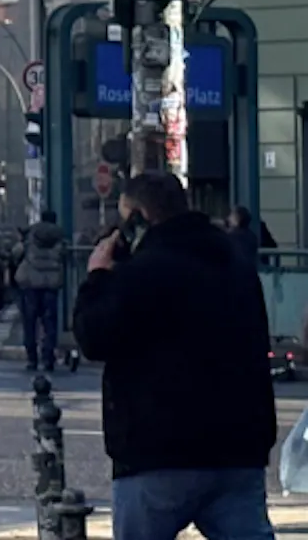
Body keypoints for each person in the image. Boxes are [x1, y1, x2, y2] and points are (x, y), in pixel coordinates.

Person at [73, 171, 276, 540]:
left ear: (138, 217)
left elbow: (93, 336)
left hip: (157, 448)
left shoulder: (142, 273)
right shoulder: (236, 265)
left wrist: (98, 278)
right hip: (238, 446)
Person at [12, 208, 68, 373]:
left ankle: (32, 359)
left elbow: (16, 253)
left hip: (31, 284)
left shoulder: (31, 236)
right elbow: (64, 254)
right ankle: (48, 358)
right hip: (51, 285)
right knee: (49, 323)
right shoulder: (60, 237)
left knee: (30, 323)